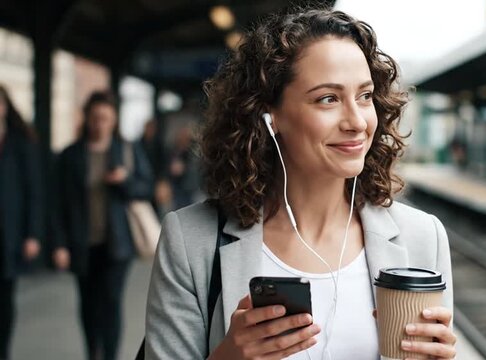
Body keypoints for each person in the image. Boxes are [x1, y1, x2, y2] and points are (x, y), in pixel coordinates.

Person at [145, 8, 456, 360]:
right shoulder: (191, 242)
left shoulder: (423, 237)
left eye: (365, 96)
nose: (356, 122)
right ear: (269, 115)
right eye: (328, 99)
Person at [52, 91, 153, 360]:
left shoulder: (126, 150)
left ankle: (109, 355)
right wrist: (60, 244)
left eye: (105, 118)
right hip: (81, 242)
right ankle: (92, 353)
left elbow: (146, 188)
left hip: (117, 244)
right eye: (95, 118)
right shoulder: (70, 156)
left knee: (110, 303)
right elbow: (58, 203)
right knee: (87, 305)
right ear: (86, 118)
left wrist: (124, 181)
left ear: (114, 120)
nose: (99, 124)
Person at [0, 85, 43, 360]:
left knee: (4, 299)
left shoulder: (21, 143)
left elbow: (34, 191)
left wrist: (33, 234)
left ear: (4, 107)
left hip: (9, 235)